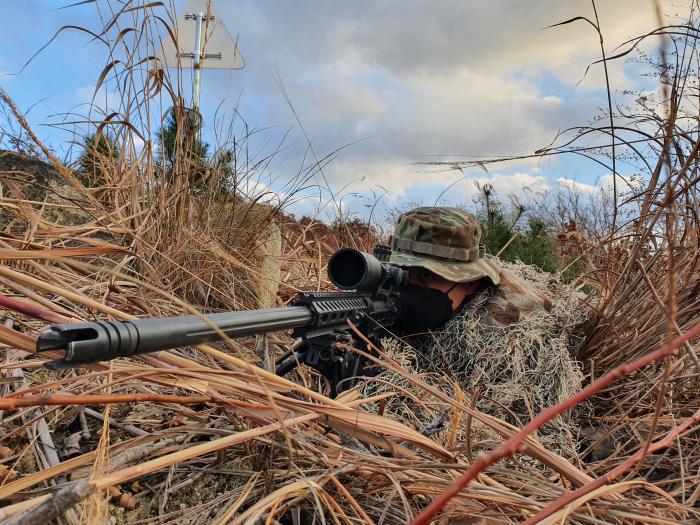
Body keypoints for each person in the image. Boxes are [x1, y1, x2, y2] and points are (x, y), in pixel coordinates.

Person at [376, 206, 587, 444]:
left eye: (426, 275)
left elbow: (493, 427)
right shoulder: (412, 291)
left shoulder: (505, 325)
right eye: (403, 271)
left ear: (469, 282)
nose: (408, 287)